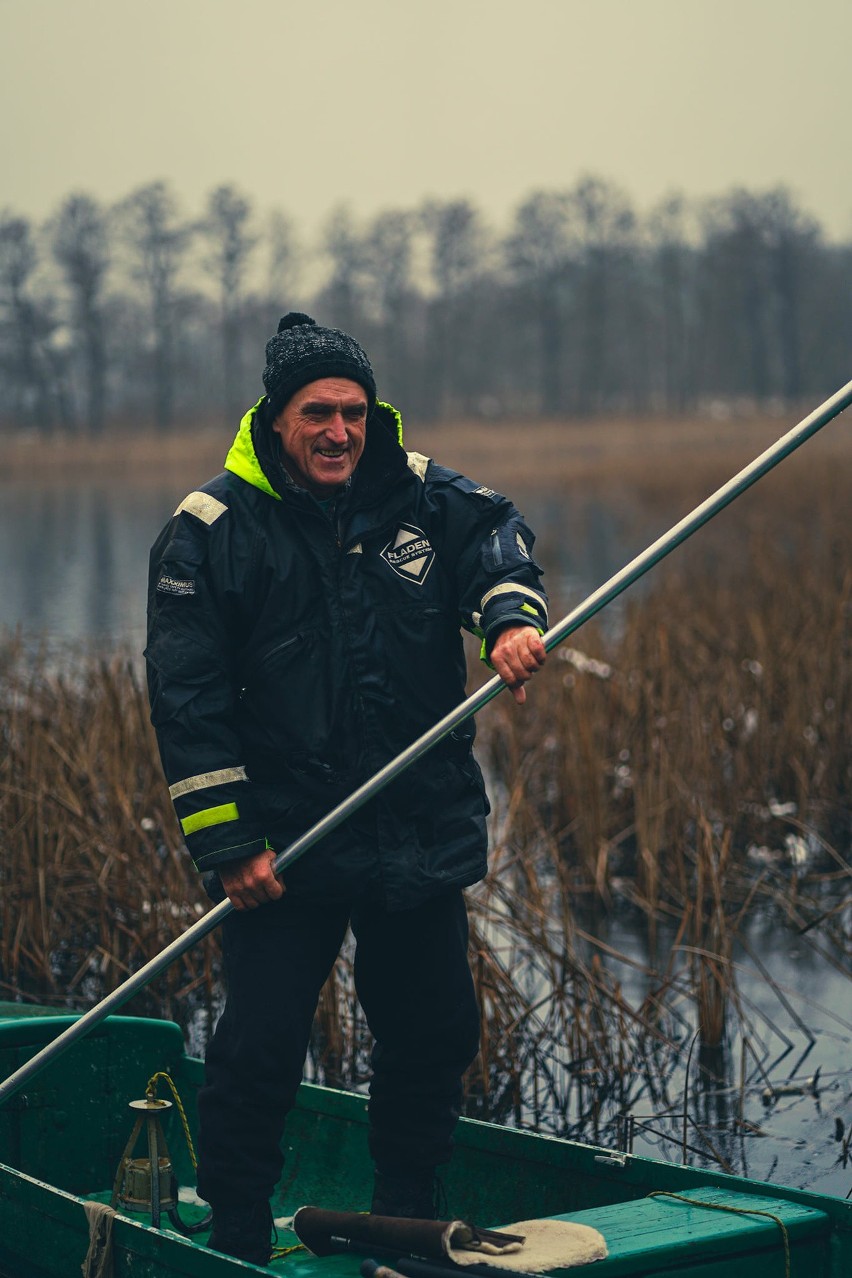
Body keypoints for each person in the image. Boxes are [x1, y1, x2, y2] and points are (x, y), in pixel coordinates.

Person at [145, 313, 548, 1265]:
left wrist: (506, 618)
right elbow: (185, 700)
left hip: (412, 832)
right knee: (259, 1049)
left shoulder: (425, 500)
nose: (339, 432)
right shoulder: (208, 533)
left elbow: (499, 538)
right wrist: (227, 842)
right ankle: (237, 1228)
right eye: (317, 412)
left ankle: (405, 1220)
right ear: (275, 419)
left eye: (354, 412)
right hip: (287, 847)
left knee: (435, 1033)